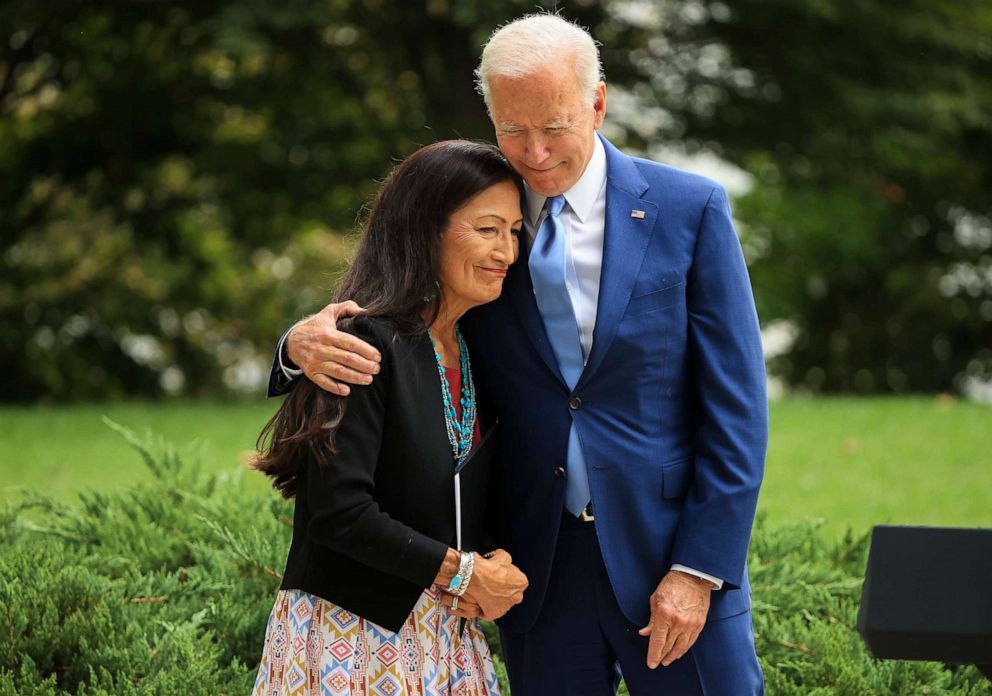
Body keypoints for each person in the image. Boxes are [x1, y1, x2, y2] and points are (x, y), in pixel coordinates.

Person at [269, 14, 768, 696]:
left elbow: (737, 409)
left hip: (672, 564)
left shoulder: (691, 209)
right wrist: (295, 348)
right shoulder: (477, 213)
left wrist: (699, 568)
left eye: (553, 126)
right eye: (512, 128)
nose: (533, 152)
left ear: (596, 103)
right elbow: (399, 308)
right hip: (534, 571)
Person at [252, 139, 529, 696]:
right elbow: (338, 512)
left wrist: (495, 567)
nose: (507, 252)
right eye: (487, 229)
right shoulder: (359, 343)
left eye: (515, 231)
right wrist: (465, 572)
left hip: (449, 636)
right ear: (426, 229)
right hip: (351, 637)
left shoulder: (481, 350)